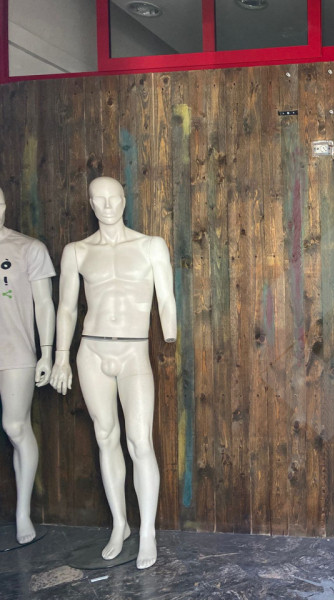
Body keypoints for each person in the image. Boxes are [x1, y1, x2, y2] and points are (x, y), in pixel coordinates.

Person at [49, 176, 176, 570]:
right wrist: (60, 357)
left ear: (124, 200)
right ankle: (120, 524)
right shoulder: (77, 252)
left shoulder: (150, 245)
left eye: (113, 198)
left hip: (133, 351)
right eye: (99, 200)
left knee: (140, 442)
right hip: (91, 350)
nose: (107, 206)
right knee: (105, 437)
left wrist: (170, 330)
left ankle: (148, 531)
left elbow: (166, 297)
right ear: (90, 203)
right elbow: (66, 308)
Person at [0, 188, 55, 545]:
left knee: (15, 426)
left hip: (15, 350)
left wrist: (47, 353)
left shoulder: (28, 248)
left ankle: (23, 512)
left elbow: (44, 304)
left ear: (5, 206)